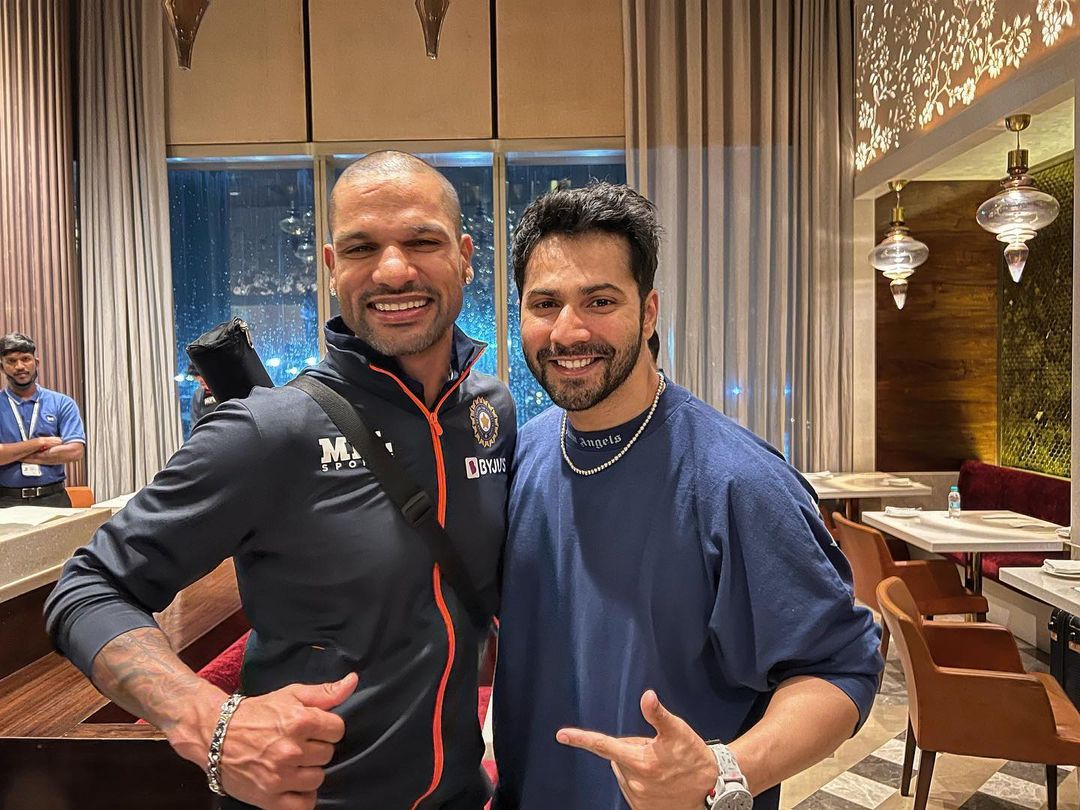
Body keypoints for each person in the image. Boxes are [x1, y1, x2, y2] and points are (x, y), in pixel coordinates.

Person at [44, 152, 515, 809]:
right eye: (362, 248)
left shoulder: (490, 411)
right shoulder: (269, 430)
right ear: (332, 267)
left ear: (464, 256)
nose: (393, 270)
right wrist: (208, 718)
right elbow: (87, 588)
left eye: (422, 241)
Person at [492, 183, 882, 810]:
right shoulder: (524, 455)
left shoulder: (739, 481)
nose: (567, 330)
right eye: (545, 303)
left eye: (599, 301)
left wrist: (725, 771)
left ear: (648, 313)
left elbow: (840, 669)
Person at [0, 332, 86, 508]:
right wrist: (41, 442)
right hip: (6, 500)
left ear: (36, 363)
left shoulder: (62, 403)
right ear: (2, 367)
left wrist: (12, 454)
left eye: (26, 359)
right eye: (11, 361)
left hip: (54, 498)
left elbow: (75, 451)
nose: (20, 366)